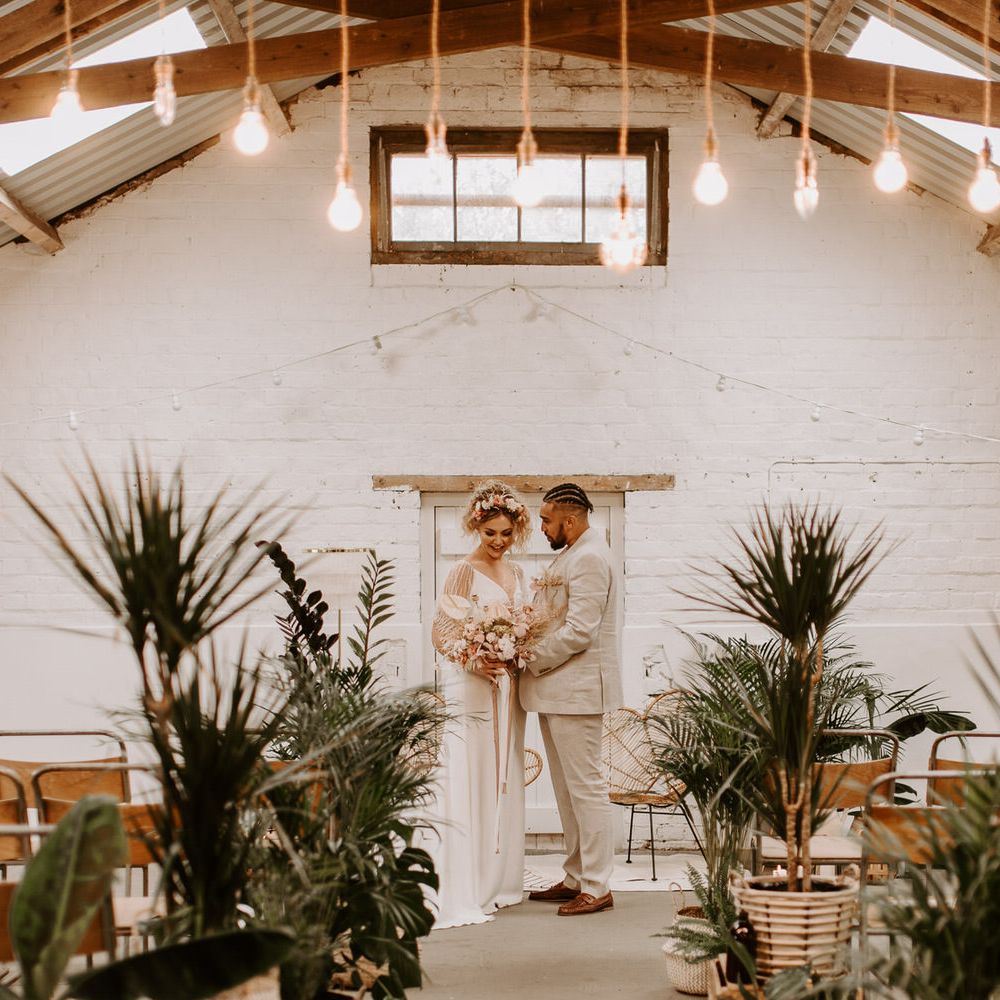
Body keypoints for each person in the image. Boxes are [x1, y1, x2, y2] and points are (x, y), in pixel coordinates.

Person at [429, 480, 532, 928]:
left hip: (508, 688)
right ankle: (469, 876)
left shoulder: (519, 574)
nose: (498, 541)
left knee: (503, 768)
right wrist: (474, 658)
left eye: (506, 533)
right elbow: (441, 631)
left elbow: (526, 626)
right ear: (476, 527)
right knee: (472, 769)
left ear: (517, 531)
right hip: (472, 686)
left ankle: (500, 879)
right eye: (490, 532)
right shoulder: (461, 572)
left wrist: (516, 648)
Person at [519, 482, 623, 916]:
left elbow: (581, 631)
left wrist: (530, 657)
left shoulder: (590, 557)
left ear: (570, 519)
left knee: (586, 789)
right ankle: (576, 876)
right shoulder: (572, 553)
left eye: (546, 520)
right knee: (566, 791)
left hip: (577, 691)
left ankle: (597, 886)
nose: (542, 527)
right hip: (557, 691)